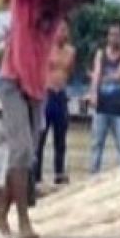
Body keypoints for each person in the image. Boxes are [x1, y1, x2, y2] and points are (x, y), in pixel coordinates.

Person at [0, 0, 98, 238]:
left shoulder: (59, 13)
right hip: (13, 80)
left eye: (77, 2)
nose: (74, 5)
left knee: (26, 157)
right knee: (23, 151)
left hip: (36, 88)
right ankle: (23, 221)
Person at [87, 20, 120, 173]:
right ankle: (93, 177)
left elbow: (119, 75)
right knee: (96, 145)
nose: (113, 38)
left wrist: (98, 77)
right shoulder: (101, 54)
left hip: (119, 109)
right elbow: (97, 76)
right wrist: (93, 93)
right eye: (111, 34)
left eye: (117, 35)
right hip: (101, 107)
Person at [36, 22, 76, 185]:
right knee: (41, 137)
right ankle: (36, 174)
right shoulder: (46, 47)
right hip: (47, 94)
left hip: (61, 96)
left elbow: (69, 72)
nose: (62, 33)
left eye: (65, 29)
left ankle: (59, 173)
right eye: (60, 29)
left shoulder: (71, 52)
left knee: (61, 139)